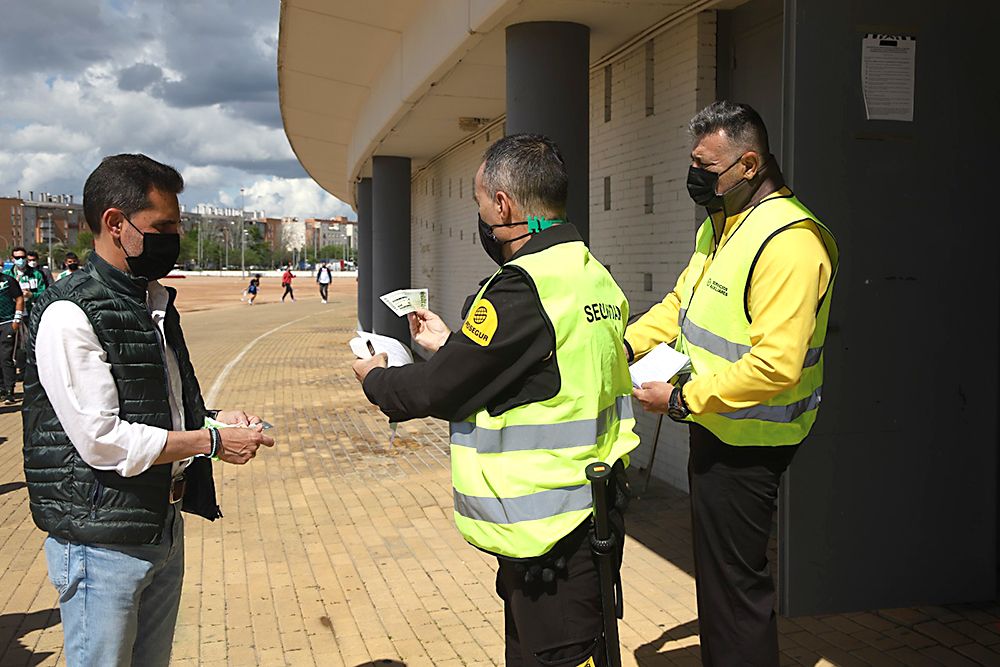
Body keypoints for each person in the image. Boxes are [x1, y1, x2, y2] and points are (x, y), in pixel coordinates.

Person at [353, 134, 640, 666]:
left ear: (503, 205)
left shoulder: (520, 288)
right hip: (589, 512)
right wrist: (453, 346)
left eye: (481, 201)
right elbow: (546, 366)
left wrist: (377, 377)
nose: (481, 214)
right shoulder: (588, 272)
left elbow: (435, 390)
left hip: (547, 534)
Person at [22, 153, 275, 667]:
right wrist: (213, 443)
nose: (174, 237)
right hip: (102, 541)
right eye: (164, 226)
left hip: (160, 522)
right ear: (116, 224)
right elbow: (103, 440)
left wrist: (213, 421)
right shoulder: (71, 313)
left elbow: (161, 411)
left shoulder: (152, 300)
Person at [624, 101, 838, 667]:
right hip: (716, 424)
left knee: (737, 591)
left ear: (749, 163)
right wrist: (629, 344)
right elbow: (681, 304)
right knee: (720, 582)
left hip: (750, 439)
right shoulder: (722, 225)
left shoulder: (791, 242)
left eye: (706, 165)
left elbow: (776, 366)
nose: (696, 176)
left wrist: (680, 400)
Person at [0, 265, 25, 404]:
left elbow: (19, 298)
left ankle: (10, 391)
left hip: (7, 323)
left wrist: (17, 320)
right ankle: (1, 389)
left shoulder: (8, 280)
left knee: (6, 357)